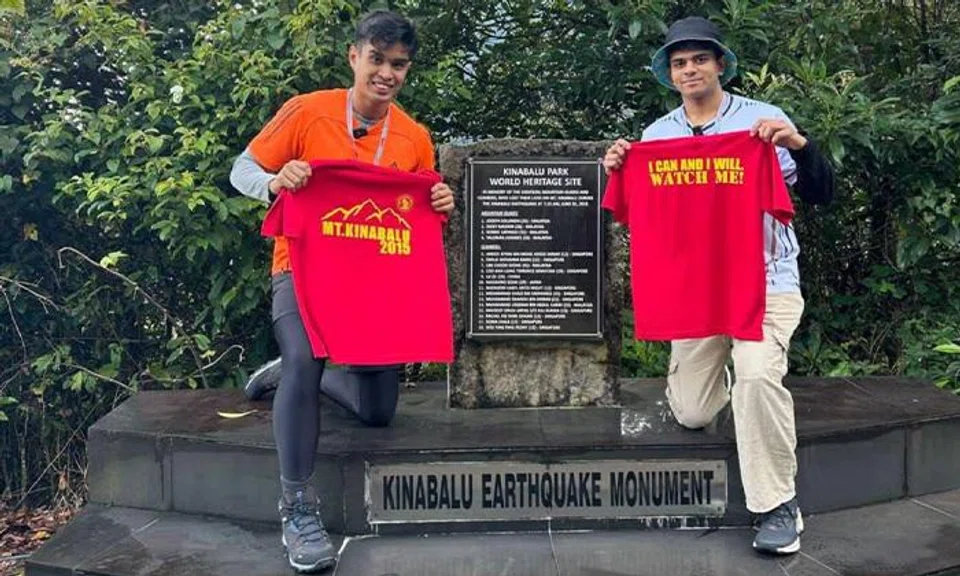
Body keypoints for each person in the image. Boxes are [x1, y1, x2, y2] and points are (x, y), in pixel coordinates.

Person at [229, 10, 454, 573]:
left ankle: (287, 371)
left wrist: (441, 206)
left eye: (397, 64)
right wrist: (275, 183)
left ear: (407, 70)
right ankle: (298, 506)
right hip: (300, 269)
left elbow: (419, 212)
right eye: (376, 59)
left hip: (373, 284)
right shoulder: (307, 111)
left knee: (379, 412)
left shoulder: (414, 138)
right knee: (306, 357)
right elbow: (243, 168)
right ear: (354, 56)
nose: (385, 73)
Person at [602, 16, 835, 555]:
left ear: (720, 64)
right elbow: (634, 215)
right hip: (700, 290)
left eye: (700, 59)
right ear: (670, 73)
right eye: (680, 63)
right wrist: (620, 167)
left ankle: (778, 505)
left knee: (754, 379)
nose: (690, 70)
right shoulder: (657, 137)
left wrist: (797, 144)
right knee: (692, 413)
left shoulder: (763, 121)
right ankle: (734, 385)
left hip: (764, 283)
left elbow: (822, 193)